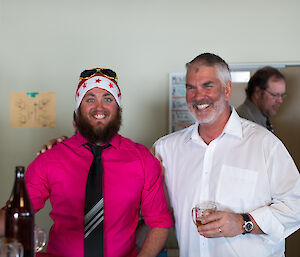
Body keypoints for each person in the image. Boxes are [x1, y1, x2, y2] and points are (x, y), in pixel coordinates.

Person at [1, 68, 173, 257]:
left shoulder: (142, 159)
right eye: (90, 99)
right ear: (78, 109)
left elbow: (159, 223)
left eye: (108, 98)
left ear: (118, 108)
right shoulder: (49, 159)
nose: (99, 107)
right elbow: (13, 216)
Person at [153, 53, 300, 256]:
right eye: (191, 87)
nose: (198, 96)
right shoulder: (166, 150)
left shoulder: (265, 144)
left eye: (208, 85)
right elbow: (153, 216)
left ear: (227, 89)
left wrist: (243, 223)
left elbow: (296, 206)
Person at [236, 66, 286, 132]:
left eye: (282, 95)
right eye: (275, 95)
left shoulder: (261, 118)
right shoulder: (245, 123)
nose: (280, 101)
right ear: (258, 93)